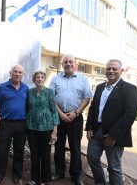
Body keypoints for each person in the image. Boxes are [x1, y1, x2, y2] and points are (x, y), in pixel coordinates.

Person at [85, 59, 137, 185]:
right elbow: (93, 108)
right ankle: (100, 183)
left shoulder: (129, 88)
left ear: (121, 71)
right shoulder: (99, 87)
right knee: (92, 158)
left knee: (114, 167)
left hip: (114, 135)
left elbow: (130, 114)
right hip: (97, 131)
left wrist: (114, 135)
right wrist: (89, 127)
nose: (111, 71)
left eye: (114, 69)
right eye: (108, 68)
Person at [49, 54, 92, 185]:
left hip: (76, 118)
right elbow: (51, 98)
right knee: (59, 146)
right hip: (59, 118)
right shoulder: (55, 79)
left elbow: (86, 98)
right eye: (65, 62)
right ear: (62, 65)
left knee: (75, 147)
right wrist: (60, 114)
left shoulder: (83, 79)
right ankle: (59, 172)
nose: (68, 64)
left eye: (70, 62)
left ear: (75, 64)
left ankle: (76, 175)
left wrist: (76, 113)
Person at [0, 64, 29, 185]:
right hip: (6, 124)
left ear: (22, 75)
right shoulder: (2, 87)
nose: (17, 74)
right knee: (2, 150)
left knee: (19, 151)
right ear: (11, 73)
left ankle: (17, 175)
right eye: (15, 72)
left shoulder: (26, 88)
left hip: (21, 124)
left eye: (20, 72)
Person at [26, 70, 59, 185]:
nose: (39, 79)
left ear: (44, 80)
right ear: (34, 80)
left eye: (42, 77)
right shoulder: (29, 92)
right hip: (31, 128)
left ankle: (45, 180)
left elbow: (54, 111)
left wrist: (55, 131)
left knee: (45, 155)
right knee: (34, 154)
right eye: (37, 77)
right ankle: (34, 179)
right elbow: (27, 108)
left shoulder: (49, 92)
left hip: (46, 128)